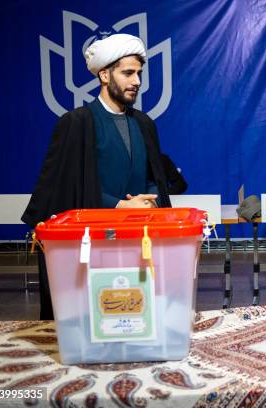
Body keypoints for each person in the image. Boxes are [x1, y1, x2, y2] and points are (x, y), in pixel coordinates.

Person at [22, 34, 171, 320]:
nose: (137, 81)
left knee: (134, 311)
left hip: (137, 237)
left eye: (139, 73)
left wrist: (151, 202)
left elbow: (156, 175)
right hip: (92, 243)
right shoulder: (76, 123)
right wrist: (119, 206)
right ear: (104, 74)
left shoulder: (144, 123)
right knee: (94, 313)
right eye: (128, 73)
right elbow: (65, 188)